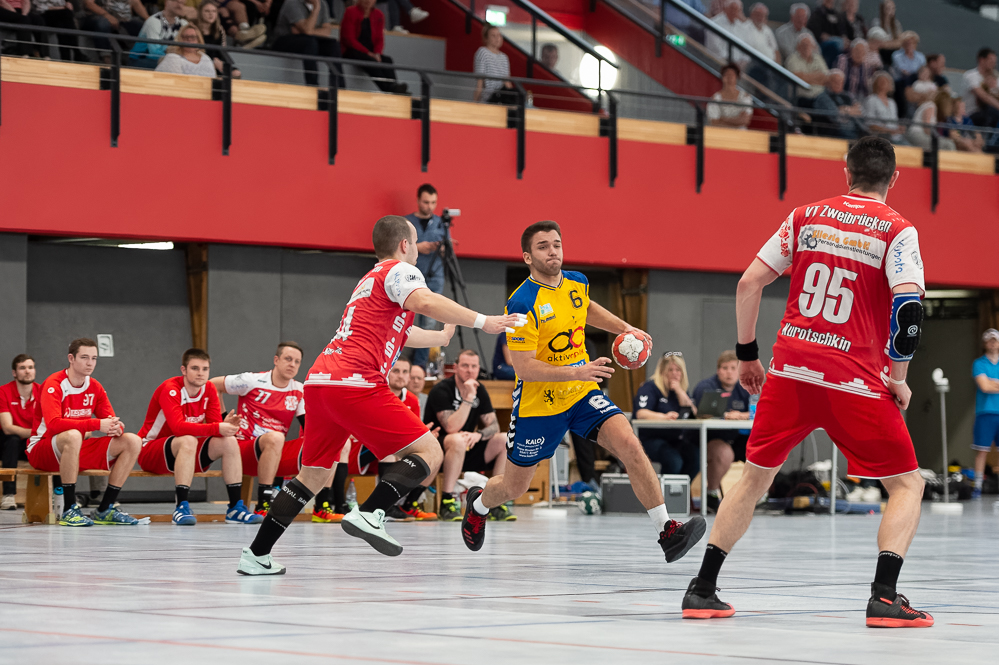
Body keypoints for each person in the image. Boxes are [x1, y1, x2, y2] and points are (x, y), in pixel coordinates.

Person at [682, 136, 933, 629]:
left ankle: (702, 588)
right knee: (907, 483)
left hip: (791, 371)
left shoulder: (805, 217)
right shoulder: (898, 230)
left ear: (846, 172)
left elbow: (748, 282)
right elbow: (908, 312)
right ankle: (884, 597)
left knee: (754, 478)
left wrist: (748, 355)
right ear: (894, 178)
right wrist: (898, 378)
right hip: (854, 379)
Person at [237, 215, 523, 574]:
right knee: (430, 451)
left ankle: (256, 554)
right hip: (355, 381)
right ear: (404, 244)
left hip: (321, 382)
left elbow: (400, 331)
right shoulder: (400, 270)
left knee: (313, 475)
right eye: (415, 242)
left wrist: (440, 338)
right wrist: (483, 321)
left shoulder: (370, 280)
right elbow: (427, 302)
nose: (417, 250)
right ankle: (371, 512)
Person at [458, 220, 706, 562]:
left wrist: (625, 327)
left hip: (582, 393)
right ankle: (478, 504)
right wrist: (577, 370)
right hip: (539, 404)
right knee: (515, 486)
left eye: (556, 244)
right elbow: (524, 367)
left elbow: (585, 307)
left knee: (630, 445)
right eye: (543, 246)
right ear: (528, 257)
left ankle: (667, 531)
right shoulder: (521, 303)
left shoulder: (577, 282)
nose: (552, 251)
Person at [26, 338, 143, 526]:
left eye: (94, 358)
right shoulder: (54, 383)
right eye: (84, 357)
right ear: (71, 358)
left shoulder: (95, 386)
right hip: (42, 449)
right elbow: (54, 425)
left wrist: (116, 428)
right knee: (73, 435)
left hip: (74, 448)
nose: (90, 363)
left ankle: (105, 508)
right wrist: (97, 424)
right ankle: (69, 509)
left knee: (133, 440)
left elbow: (111, 419)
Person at [137, 349, 260, 525]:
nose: (200, 373)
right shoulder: (170, 389)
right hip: (150, 451)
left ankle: (235, 508)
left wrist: (225, 426)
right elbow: (178, 428)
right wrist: (217, 427)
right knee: (188, 439)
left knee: (229, 441)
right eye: (195, 368)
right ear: (184, 370)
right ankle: (181, 507)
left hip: (186, 452)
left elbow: (214, 427)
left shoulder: (209, 388)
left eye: (205, 369)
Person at [211, 341, 306, 516]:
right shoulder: (252, 380)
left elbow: (307, 425)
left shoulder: (299, 390)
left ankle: (323, 506)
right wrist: (222, 421)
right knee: (276, 437)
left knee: (330, 443)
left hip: (274, 453)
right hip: (243, 451)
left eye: (297, 361)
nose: (292, 364)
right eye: (288, 359)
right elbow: (212, 385)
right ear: (276, 360)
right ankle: (264, 503)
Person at [425, 349, 511, 522]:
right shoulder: (442, 389)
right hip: (440, 450)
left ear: (479, 369)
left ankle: (495, 500)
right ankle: (447, 501)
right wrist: (469, 398)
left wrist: (479, 435)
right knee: (457, 439)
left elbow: (494, 426)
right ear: (455, 367)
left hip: (467, 448)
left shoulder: (480, 389)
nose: (470, 371)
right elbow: (451, 427)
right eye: (465, 366)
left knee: (504, 439)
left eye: (474, 366)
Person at [379, 358, 438, 521]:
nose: (400, 376)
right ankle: (386, 506)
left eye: (405, 372)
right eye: (396, 371)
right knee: (390, 449)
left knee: (434, 453)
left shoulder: (412, 399)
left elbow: (413, 432)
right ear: (387, 373)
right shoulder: (378, 394)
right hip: (369, 448)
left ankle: (409, 504)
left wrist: (426, 437)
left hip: (397, 446)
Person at [690, 351, 750, 511]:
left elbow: (756, 411)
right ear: (718, 370)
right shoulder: (705, 387)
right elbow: (700, 413)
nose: (729, 372)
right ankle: (711, 493)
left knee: (761, 449)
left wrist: (741, 415)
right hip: (705, 438)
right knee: (723, 453)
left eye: (733, 368)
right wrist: (726, 415)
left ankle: (757, 495)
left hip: (734, 437)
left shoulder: (745, 388)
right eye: (725, 368)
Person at [632, 353, 698, 479]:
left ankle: (681, 488)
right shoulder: (650, 387)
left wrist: (680, 392)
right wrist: (664, 417)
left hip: (675, 439)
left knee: (696, 457)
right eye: (670, 370)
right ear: (662, 372)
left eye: (678, 370)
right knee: (674, 461)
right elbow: (641, 413)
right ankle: (664, 490)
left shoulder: (681, 391)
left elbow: (694, 413)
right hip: (650, 439)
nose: (674, 374)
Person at [404, 183, 447, 370]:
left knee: (429, 322)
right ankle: (400, 362)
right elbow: (398, 247)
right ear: (418, 200)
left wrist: (442, 248)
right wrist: (418, 247)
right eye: (426, 202)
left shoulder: (441, 223)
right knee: (406, 319)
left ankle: (419, 366)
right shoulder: (406, 222)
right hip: (410, 277)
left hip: (434, 277)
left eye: (433, 202)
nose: (430, 206)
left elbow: (447, 249)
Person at [0, 354, 41, 510]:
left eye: (30, 367)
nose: (27, 371)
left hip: (30, 443)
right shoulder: (3, 391)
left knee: (53, 444)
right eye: (22, 368)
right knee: (13, 439)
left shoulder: (42, 391)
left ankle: (59, 495)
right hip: (7, 445)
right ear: (14, 373)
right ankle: (8, 495)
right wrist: (36, 433)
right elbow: (7, 427)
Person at [341, 0, 408, 95]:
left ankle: (394, 86)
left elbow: (380, 39)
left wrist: (377, 53)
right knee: (370, 60)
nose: (368, 1)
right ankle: (389, 89)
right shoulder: (350, 12)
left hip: (370, 52)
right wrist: (368, 53)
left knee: (387, 60)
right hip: (352, 50)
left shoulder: (378, 14)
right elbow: (349, 39)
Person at [272, 0, 343, 88]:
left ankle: (339, 86)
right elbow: (307, 30)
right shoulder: (292, 3)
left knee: (333, 45)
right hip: (284, 40)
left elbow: (327, 31)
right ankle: (312, 85)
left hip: (309, 40)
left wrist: (309, 31)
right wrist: (316, 9)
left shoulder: (323, 3)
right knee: (310, 43)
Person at [971, 329, 999, 499]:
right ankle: (978, 486)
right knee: (982, 450)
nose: (992, 343)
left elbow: (989, 384)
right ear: (985, 343)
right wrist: (990, 384)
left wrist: (992, 382)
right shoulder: (979, 363)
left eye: (995, 340)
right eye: (989, 340)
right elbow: (984, 386)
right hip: (985, 412)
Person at [130, 0, 188, 68]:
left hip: (170, 60)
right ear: (166, 2)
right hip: (141, 60)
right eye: (176, 1)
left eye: (182, 3)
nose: (180, 6)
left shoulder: (183, 24)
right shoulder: (154, 21)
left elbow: (188, 47)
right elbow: (154, 53)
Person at [82, 0, 149, 56]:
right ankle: (106, 60)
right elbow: (89, 4)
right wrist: (107, 15)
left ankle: (142, 59)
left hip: (122, 19)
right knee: (102, 23)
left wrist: (148, 20)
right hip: (96, 17)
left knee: (141, 26)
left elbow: (135, 2)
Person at [816, 69, 864, 138]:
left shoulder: (848, 96)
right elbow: (835, 115)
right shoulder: (823, 97)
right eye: (835, 81)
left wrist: (844, 109)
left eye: (841, 81)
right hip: (835, 132)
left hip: (856, 130)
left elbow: (860, 112)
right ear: (828, 82)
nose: (838, 84)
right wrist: (851, 111)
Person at [786, 33, 829, 109]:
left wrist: (805, 77)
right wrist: (816, 77)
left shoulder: (818, 58)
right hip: (801, 98)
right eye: (803, 45)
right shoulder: (792, 59)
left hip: (820, 95)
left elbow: (826, 78)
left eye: (808, 45)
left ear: (813, 46)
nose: (806, 47)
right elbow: (797, 78)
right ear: (798, 47)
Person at [473, 24, 514, 104]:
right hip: (489, 99)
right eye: (493, 36)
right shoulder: (482, 52)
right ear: (486, 38)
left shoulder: (504, 57)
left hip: (502, 98)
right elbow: (480, 82)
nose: (497, 38)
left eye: (499, 35)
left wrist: (513, 98)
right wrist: (475, 103)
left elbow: (507, 82)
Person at [862, 71, 904, 143]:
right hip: (879, 137)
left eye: (886, 81)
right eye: (880, 81)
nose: (883, 83)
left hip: (895, 137)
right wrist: (889, 131)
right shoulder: (871, 100)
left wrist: (900, 128)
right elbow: (870, 124)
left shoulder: (892, 102)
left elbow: (894, 122)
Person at [707, 63, 752, 129]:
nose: (729, 78)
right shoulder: (715, 98)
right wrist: (736, 121)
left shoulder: (745, 97)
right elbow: (714, 122)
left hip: (740, 134)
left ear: (737, 77)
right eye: (726, 75)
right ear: (722, 77)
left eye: (732, 75)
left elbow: (745, 121)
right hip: (720, 133)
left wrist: (722, 119)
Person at [962, 48, 999, 129]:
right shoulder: (972, 76)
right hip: (974, 113)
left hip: (993, 112)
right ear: (982, 60)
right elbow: (983, 96)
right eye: (991, 61)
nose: (993, 64)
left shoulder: (996, 78)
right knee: (992, 112)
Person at [807, 0, 849, 67]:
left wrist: (844, 38)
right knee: (835, 45)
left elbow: (842, 30)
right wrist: (823, 36)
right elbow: (816, 31)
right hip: (823, 43)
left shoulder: (836, 14)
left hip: (838, 40)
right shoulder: (817, 13)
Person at [707, 0, 747, 65]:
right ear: (725, 9)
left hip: (738, 64)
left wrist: (743, 61)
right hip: (718, 62)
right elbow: (715, 48)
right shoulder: (714, 23)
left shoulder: (740, 26)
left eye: (737, 10)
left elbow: (745, 47)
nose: (734, 12)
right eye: (732, 8)